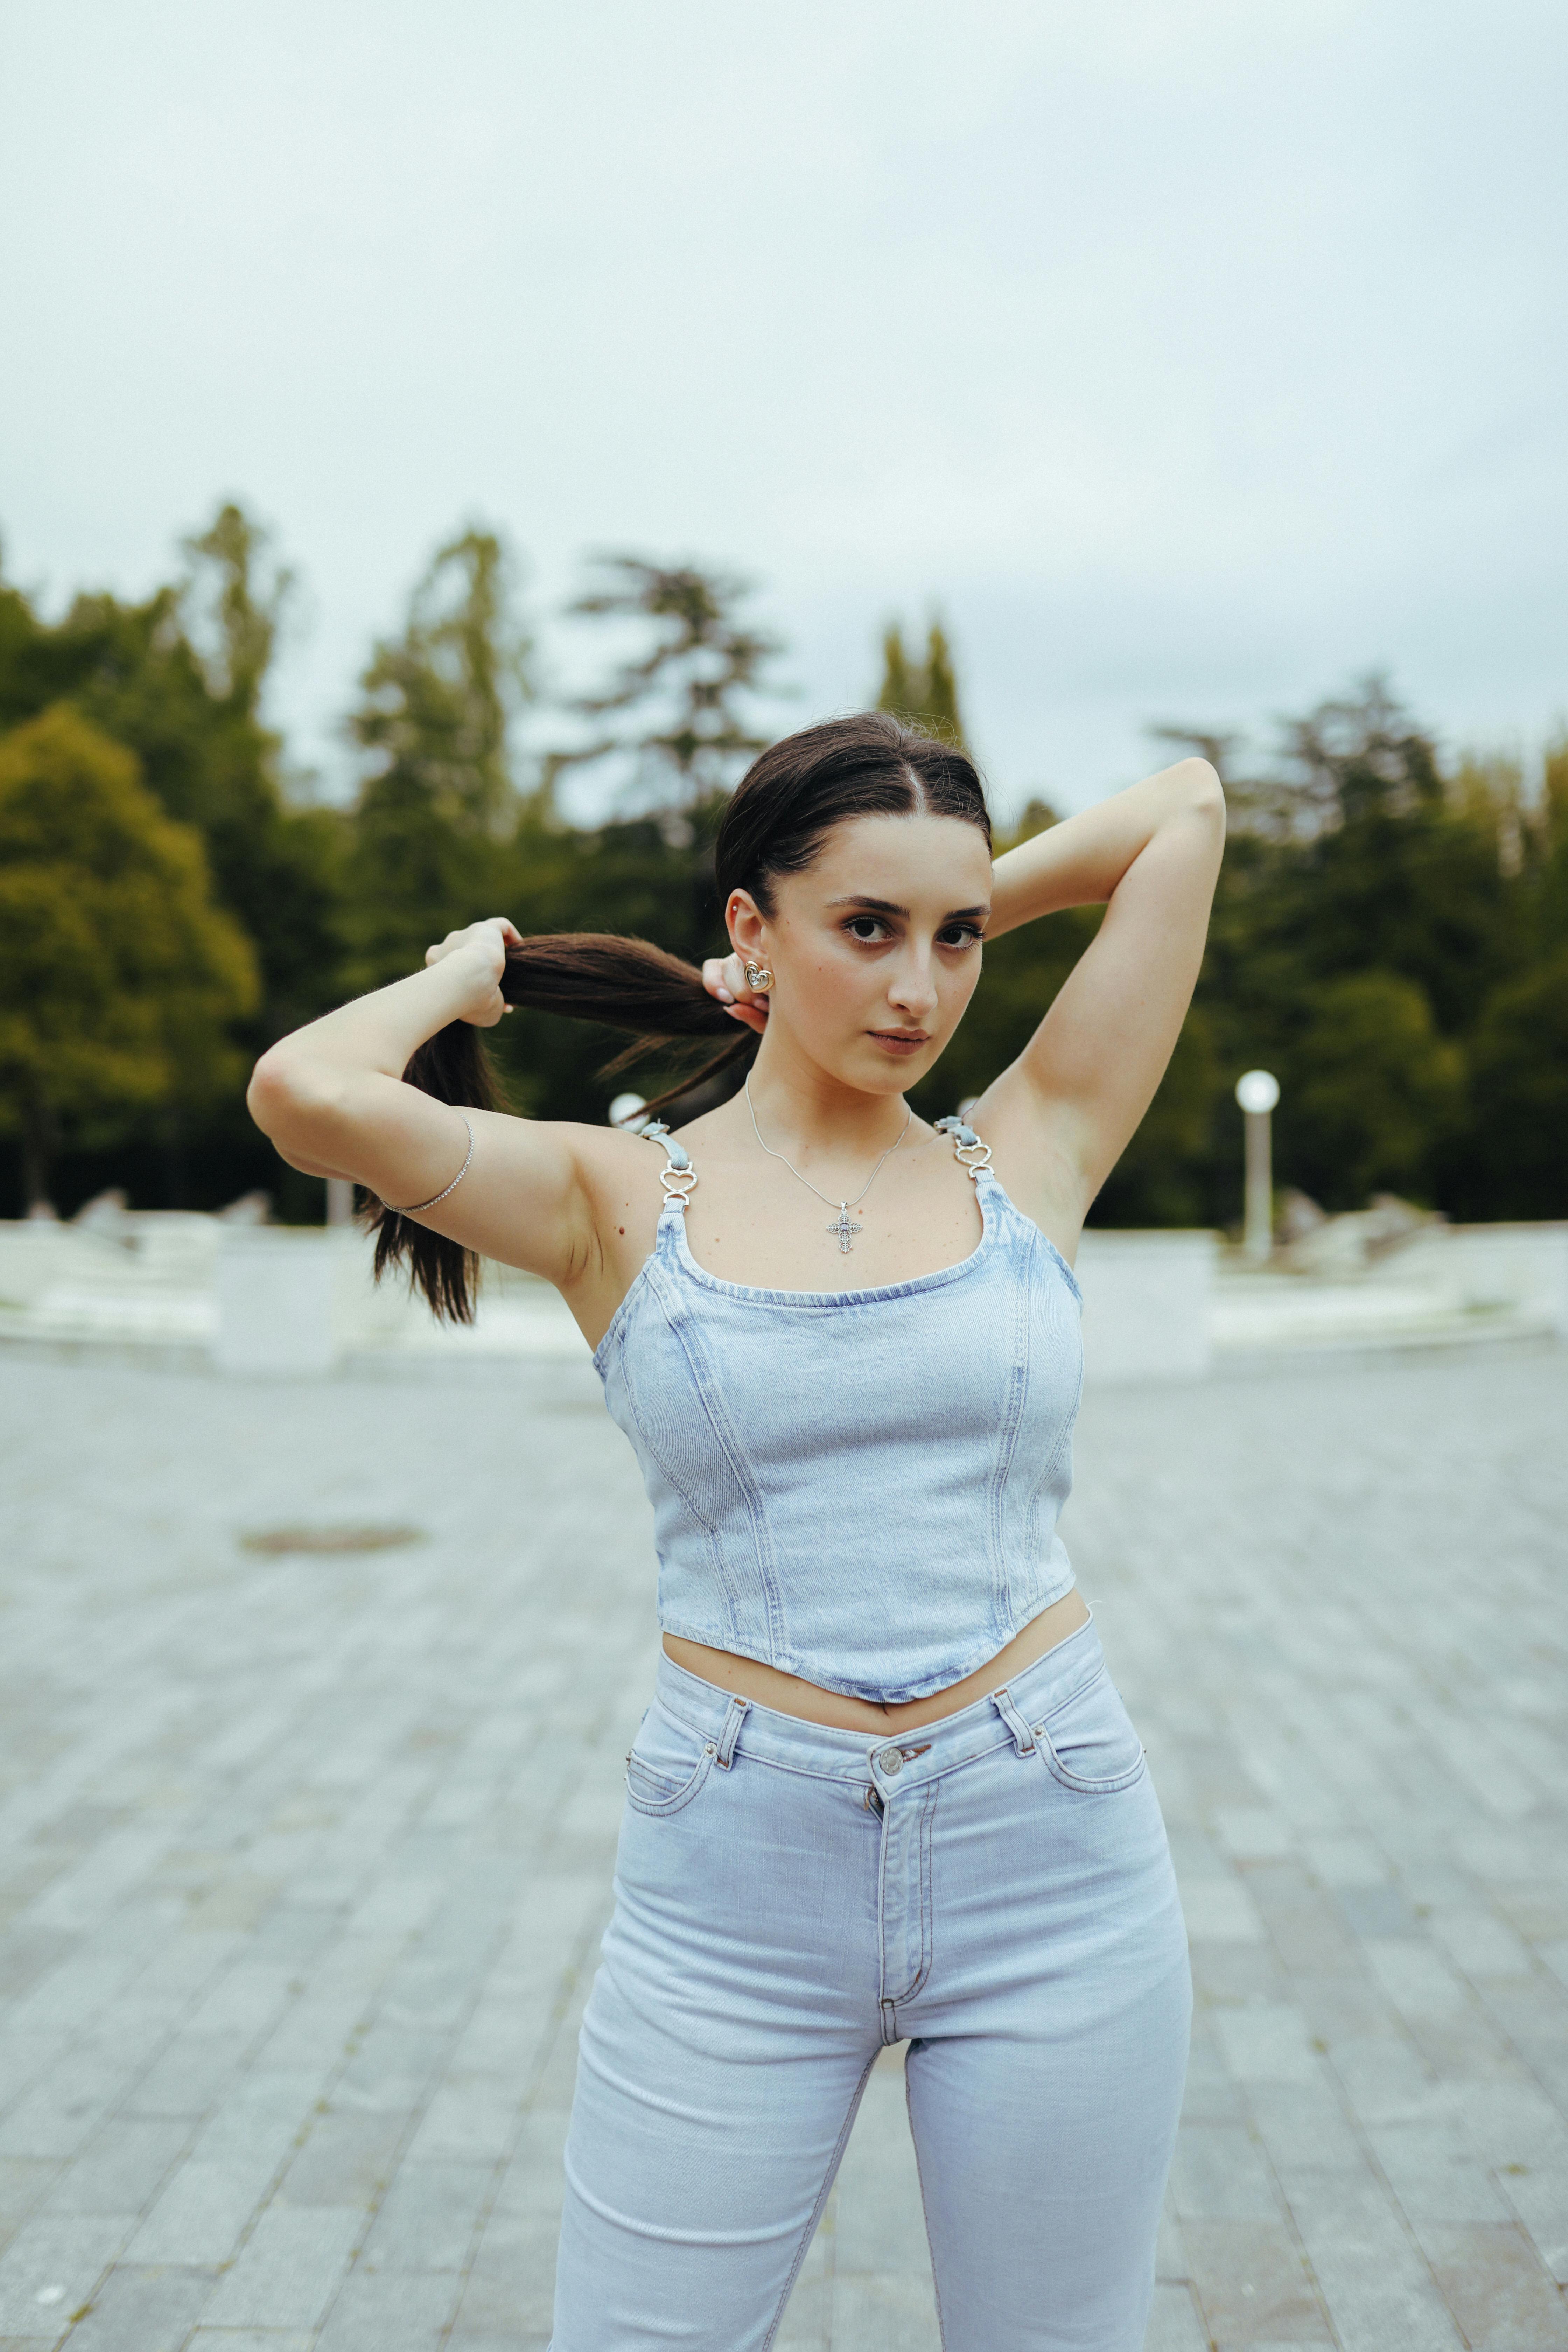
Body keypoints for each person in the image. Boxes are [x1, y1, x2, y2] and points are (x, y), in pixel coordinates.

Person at [247, 712, 1226, 2351]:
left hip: (1051, 1846)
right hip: (737, 1887)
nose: (921, 989)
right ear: (748, 932)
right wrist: (462, 976)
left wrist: (946, 888)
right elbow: (303, 1094)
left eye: (958, 937)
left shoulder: (1035, 1146)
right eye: (866, 929)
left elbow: (1184, 809)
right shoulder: (610, 1198)